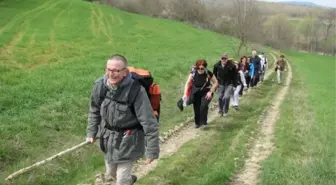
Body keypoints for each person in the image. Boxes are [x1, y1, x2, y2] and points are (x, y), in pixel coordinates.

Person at [86, 54, 160, 185]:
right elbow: (94, 110)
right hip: (107, 139)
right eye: (109, 69)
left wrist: (152, 151)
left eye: (116, 70)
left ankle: (125, 180)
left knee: (120, 180)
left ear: (125, 72)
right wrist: (91, 133)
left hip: (129, 140)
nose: (111, 74)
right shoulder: (100, 86)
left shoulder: (136, 91)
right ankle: (129, 180)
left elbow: (149, 122)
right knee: (111, 173)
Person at [183, 59, 218, 128]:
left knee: (203, 106)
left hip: (206, 92)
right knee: (196, 108)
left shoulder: (208, 73)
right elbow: (187, 83)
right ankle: (197, 123)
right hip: (196, 92)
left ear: (205, 67)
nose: (200, 70)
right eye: (198, 68)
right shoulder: (193, 73)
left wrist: (210, 92)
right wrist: (185, 94)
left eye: (202, 68)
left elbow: (216, 82)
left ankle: (203, 121)